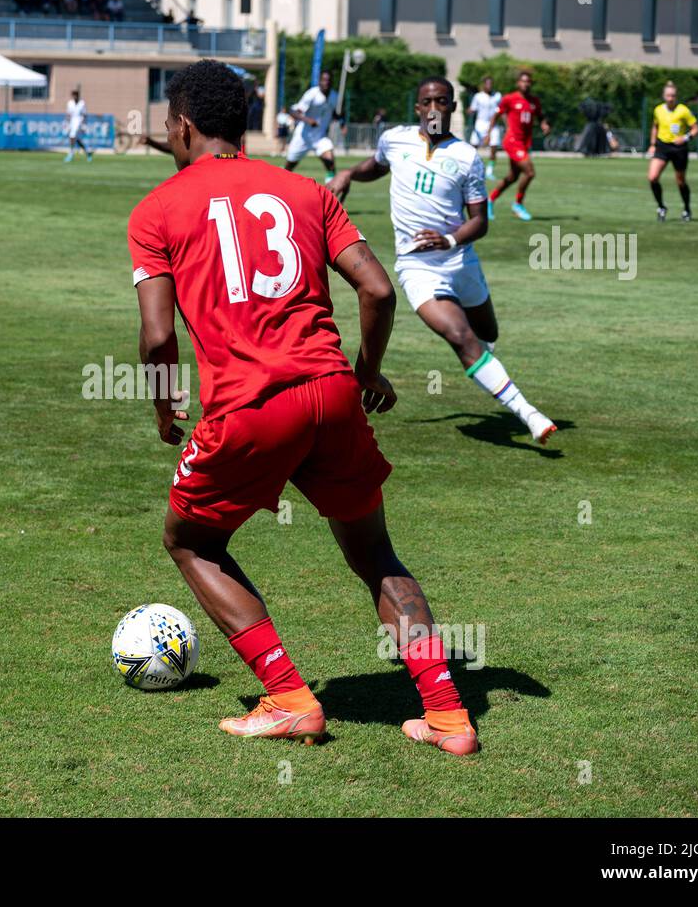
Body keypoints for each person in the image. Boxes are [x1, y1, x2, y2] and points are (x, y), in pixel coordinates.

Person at [126, 60, 479, 754]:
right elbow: (377, 290)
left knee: (190, 539)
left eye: (169, 124)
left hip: (248, 407)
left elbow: (159, 334)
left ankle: (288, 697)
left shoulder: (158, 208)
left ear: (185, 126)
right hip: (332, 392)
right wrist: (368, 373)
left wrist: (166, 408)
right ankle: (447, 717)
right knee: (375, 551)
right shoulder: (306, 192)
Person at [331, 77, 557, 447]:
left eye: (441, 101)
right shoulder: (395, 139)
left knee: (488, 334)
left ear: (452, 107)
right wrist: (349, 173)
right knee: (459, 336)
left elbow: (480, 221)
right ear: (418, 107)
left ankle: (486, 364)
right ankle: (528, 413)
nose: (434, 108)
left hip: (461, 262)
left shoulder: (467, 157)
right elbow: (377, 164)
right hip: (417, 269)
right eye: (427, 101)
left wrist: (449, 239)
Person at [484, 70, 550, 221]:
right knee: (530, 172)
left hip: (524, 143)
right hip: (512, 142)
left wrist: (544, 124)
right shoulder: (509, 99)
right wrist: (488, 133)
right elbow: (496, 115)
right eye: (523, 81)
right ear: (518, 83)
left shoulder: (534, 101)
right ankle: (518, 204)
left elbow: (540, 116)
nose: (525, 84)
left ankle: (490, 200)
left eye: (528, 81)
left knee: (512, 177)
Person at [647, 81, 697, 222]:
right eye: (668, 95)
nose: (671, 98)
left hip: (678, 149)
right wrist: (652, 144)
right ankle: (661, 207)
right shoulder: (658, 110)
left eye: (673, 96)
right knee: (652, 177)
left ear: (676, 96)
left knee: (680, 182)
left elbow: (695, 128)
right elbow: (655, 126)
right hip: (662, 147)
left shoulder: (683, 110)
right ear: (664, 96)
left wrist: (685, 138)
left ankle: (687, 209)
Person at [283, 68, 338, 184]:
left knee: (330, 162)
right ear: (319, 81)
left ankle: (331, 191)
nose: (326, 83)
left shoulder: (335, 96)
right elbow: (293, 112)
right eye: (323, 80)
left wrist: (341, 122)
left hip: (320, 137)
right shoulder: (312, 94)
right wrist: (308, 120)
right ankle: (279, 183)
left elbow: (335, 113)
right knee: (289, 166)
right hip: (303, 136)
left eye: (328, 80)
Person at [468, 75, 501, 180]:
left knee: (494, 147)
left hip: (493, 125)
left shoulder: (497, 96)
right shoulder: (478, 96)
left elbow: (500, 111)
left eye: (491, 83)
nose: (489, 86)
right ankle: (471, 169)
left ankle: (489, 172)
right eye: (487, 83)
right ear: (484, 85)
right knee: (473, 148)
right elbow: (473, 109)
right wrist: (469, 111)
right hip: (480, 124)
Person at [63, 88, 90, 163]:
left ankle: (71, 153)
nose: (74, 97)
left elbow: (84, 114)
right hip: (72, 121)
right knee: (77, 140)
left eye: (76, 95)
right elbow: (68, 114)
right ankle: (87, 152)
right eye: (73, 95)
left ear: (78, 96)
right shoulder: (70, 103)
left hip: (79, 121)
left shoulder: (82, 103)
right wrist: (66, 123)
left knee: (73, 136)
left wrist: (84, 124)